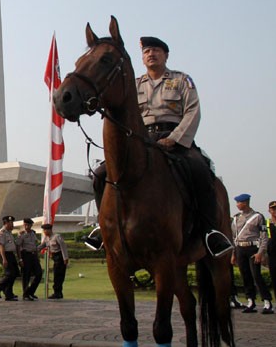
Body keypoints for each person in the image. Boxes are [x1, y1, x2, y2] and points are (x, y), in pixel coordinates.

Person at [90, 36, 233, 258]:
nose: (151, 54)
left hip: (175, 139)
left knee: (200, 171)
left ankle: (210, 231)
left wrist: (175, 139)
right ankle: (103, 226)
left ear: (165, 55)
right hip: (141, 140)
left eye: (156, 50)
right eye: (147, 51)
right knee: (100, 175)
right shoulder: (134, 84)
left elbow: (193, 112)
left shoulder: (182, 80)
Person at [231, 193, 273, 314]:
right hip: (240, 248)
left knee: (256, 275)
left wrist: (261, 252)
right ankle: (250, 300)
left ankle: (267, 301)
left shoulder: (258, 217)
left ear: (245, 203)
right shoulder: (236, 218)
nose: (237, 205)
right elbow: (234, 237)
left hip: (253, 248)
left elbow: (264, 236)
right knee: (245, 275)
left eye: (239, 203)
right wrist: (234, 253)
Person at [38, 223, 68, 300]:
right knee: (57, 275)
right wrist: (34, 249)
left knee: (59, 276)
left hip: (60, 257)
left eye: (45, 230)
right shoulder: (47, 238)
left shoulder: (57, 237)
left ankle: (57, 293)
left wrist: (65, 258)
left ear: (49, 230)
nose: (44, 231)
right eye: (43, 230)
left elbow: (63, 247)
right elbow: (42, 246)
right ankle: (58, 293)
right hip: (55, 258)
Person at [0, 216, 19, 301]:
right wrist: (4, 258)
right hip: (4, 254)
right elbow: (1, 246)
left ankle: (8, 294)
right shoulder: (2, 232)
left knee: (14, 273)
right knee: (10, 274)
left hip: (11, 255)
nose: (12, 224)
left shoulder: (9, 232)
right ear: (5, 223)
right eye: (10, 223)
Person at [17, 218, 42, 301]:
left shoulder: (33, 233)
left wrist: (37, 257)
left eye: (28, 225)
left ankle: (30, 292)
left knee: (39, 274)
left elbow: (35, 245)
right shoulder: (21, 234)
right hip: (26, 255)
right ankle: (25, 294)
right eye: (25, 225)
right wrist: (20, 259)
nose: (26, 226)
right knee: (26, 275)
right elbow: (18, 247)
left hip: (34, 255)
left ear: (31, 225)